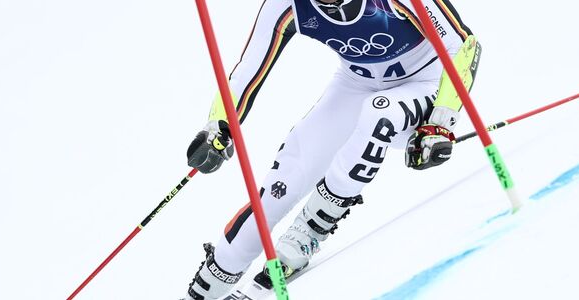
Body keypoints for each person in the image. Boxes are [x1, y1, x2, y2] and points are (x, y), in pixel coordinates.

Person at [184, 0, 475, 298]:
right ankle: (206, 286)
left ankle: (309, 232)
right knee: (285, 180)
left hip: (425, 82)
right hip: (355, 83)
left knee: (379, 113)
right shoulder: (286, 5)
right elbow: (249, 68)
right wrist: (218, 127)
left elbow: (463, 45)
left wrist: (441, 119)